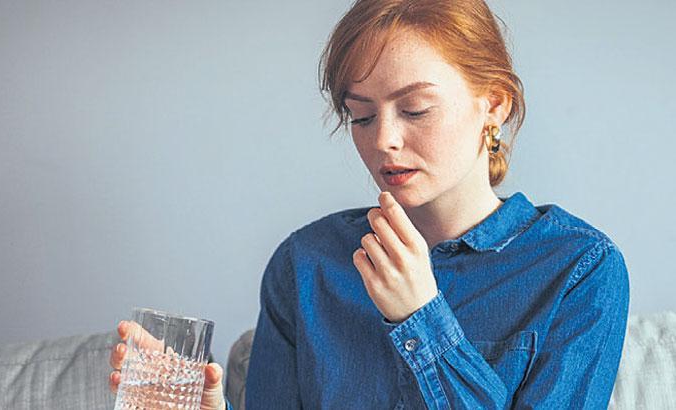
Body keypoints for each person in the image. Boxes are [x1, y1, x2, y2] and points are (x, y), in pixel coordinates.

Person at [110, 0, 630, 408]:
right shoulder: (305, 264)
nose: (383, 140)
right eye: (361, 116)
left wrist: (421, 318)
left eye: (415, 109)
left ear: (493, 103)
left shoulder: (580, 270)